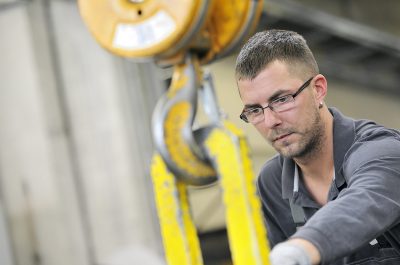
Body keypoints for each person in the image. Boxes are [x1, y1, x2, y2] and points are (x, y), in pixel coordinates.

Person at [235, 29, 400, 265]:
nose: (270, 121)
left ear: (318, 89)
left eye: (281, 100)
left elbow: (364, 201)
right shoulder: (272, 182)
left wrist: (299, 250)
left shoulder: (383, 151)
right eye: (254, 110)